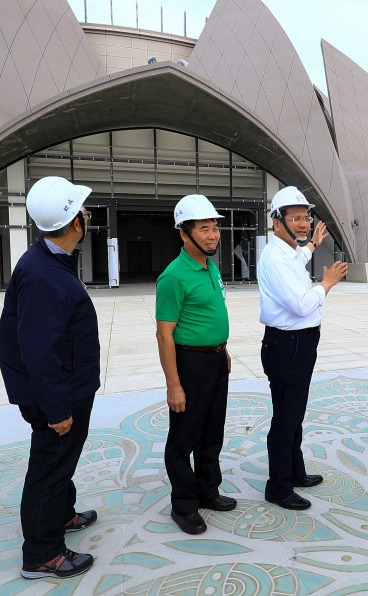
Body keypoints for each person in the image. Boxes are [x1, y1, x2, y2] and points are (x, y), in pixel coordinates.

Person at [0, 176, 99, 580]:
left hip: (65, 386)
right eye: (84, 211)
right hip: (57, 393)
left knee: (63, 460)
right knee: (49, 467)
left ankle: (62, 515)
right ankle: (42, 553)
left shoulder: (47, 261)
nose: (87, 216)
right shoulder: (44, 275)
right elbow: (39, 350)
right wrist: (56, 408)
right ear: (76, 222)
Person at [258, 186, 348, 510]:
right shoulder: (275, 257)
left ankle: (294, 472)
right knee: (285, 417)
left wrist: (313, 244)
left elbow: (301, 256)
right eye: (294, 217)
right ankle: (278, 486)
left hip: (299, 343)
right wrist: (327, 283)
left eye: (305, 217)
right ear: (276, 222)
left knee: (294, 413)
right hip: (288, 344)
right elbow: (300, 304)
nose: (303, 222)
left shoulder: (291, 251)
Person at [155, 195, 237, 535]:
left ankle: (207, 491)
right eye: (204, 228)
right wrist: (174, 384)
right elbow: (164, 334)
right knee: (183, 438)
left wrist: (224, 350)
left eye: (215, 227)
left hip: (216, 360)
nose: (213, 235)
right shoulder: (173, 277)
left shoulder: (209, 266)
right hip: (190, 364)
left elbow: (208, 315)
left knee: (211, 432)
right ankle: (184, 505)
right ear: (183, 233)